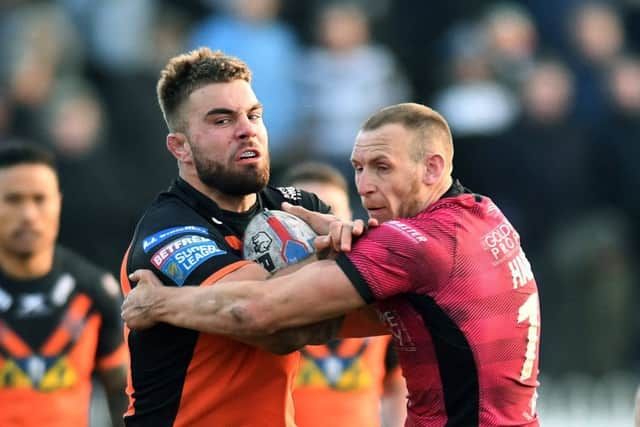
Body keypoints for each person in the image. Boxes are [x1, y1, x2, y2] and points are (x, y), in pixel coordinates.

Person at [123, 102, 542, 426]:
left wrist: (160, 305)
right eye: (358, 168)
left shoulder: (414, 246)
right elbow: (320, 325)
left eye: (382, 168)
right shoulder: (483, 215)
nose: (365, 186)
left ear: (433, 167)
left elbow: (256, 311)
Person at [119, 47, 358, 427]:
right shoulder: (167, 230)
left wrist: (356, 250)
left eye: (254, 115)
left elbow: (369, 306)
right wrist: (332, 257)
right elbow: (272, 325)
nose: (246, 129)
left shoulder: (295, 207)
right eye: (222, 120)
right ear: (179, 147)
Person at [0, 142, 128, 427]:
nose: (29, 215)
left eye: (39, 199)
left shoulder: (95, 291)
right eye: (13, 200)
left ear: (58, 203)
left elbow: (123, 396)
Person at [281, 162, 406, 427]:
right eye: (306, 215)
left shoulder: (378, 297)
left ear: (349, 217)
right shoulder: (263, 300)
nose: (319, 225)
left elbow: (397, 384)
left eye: (329, 212)